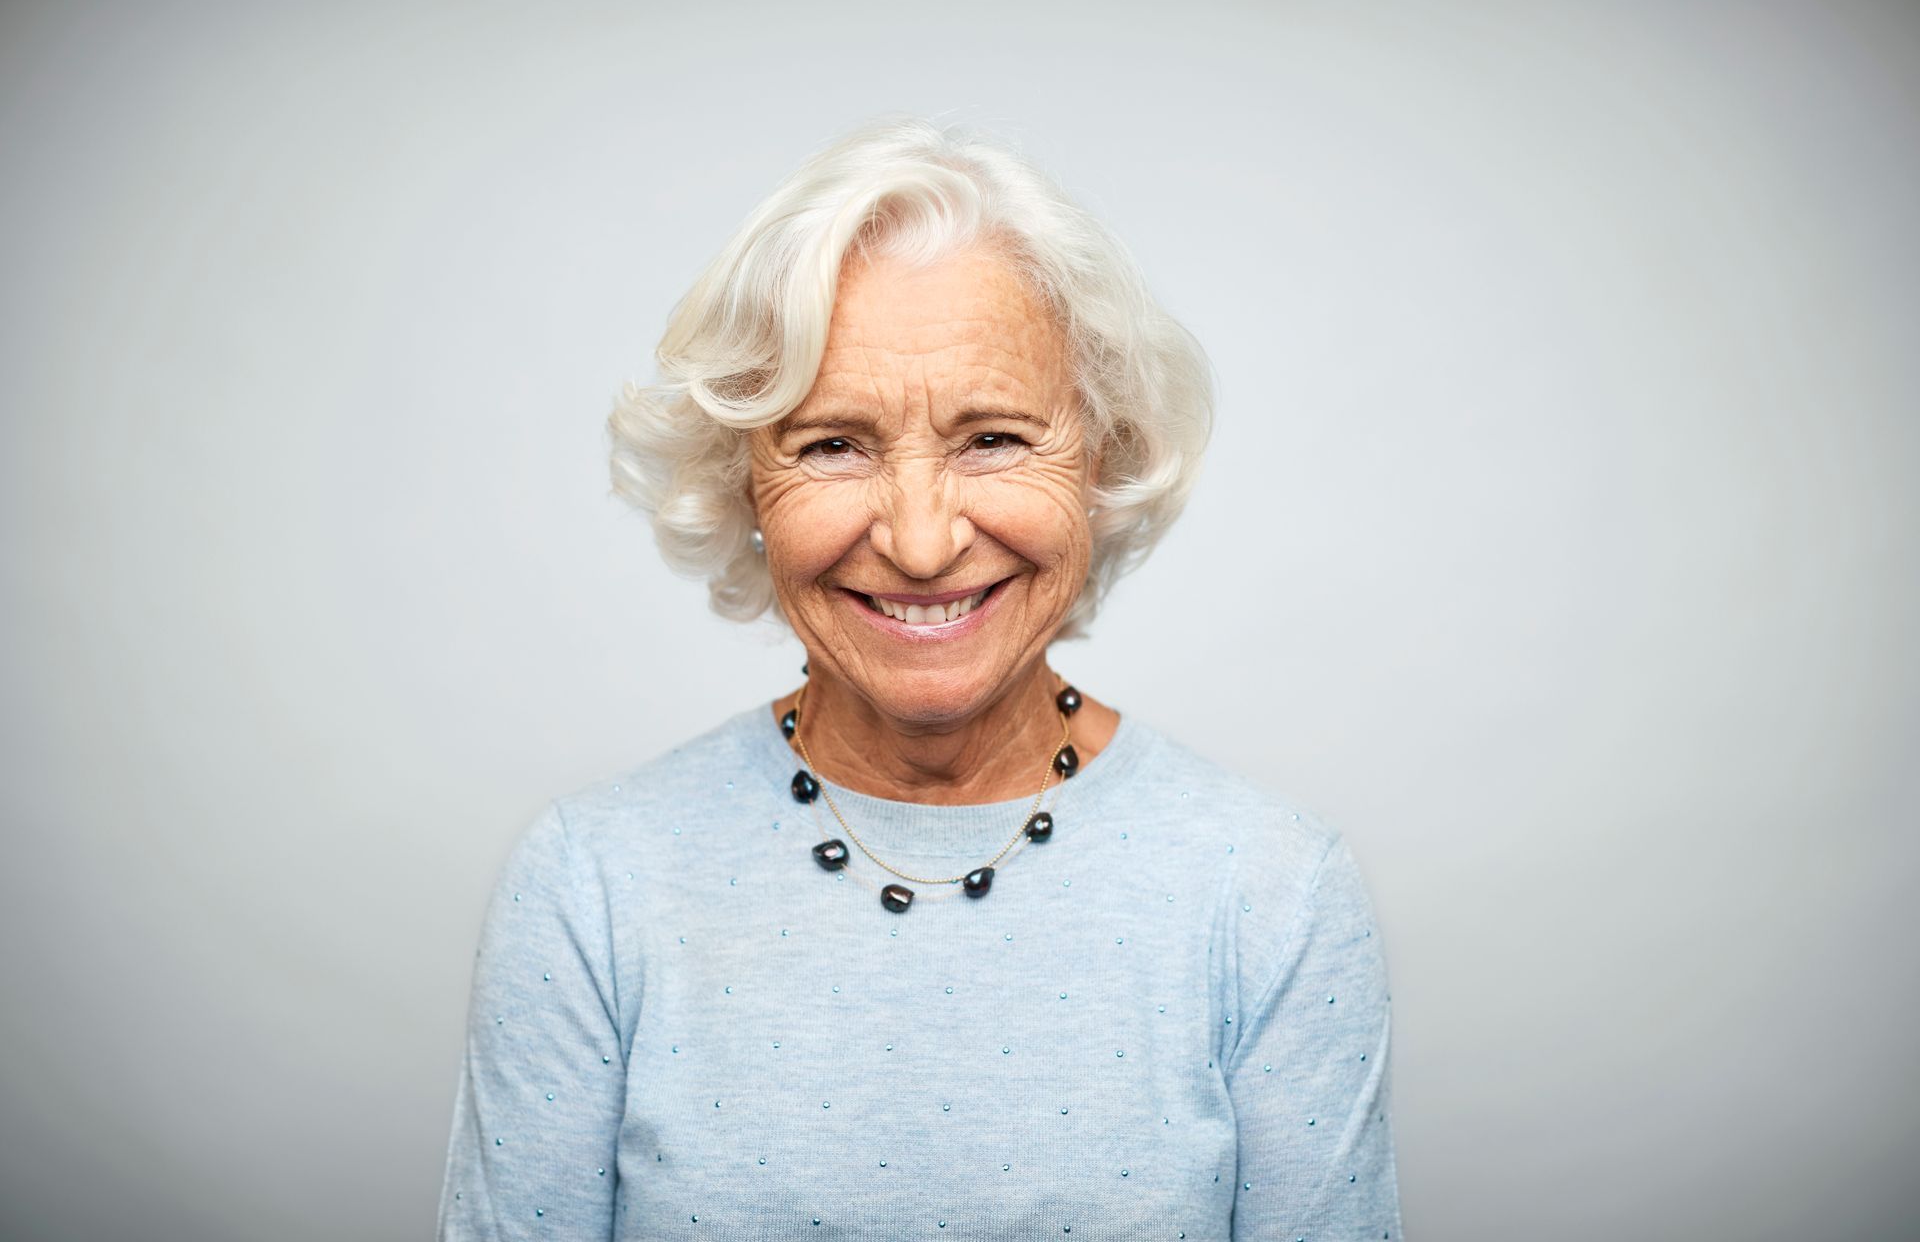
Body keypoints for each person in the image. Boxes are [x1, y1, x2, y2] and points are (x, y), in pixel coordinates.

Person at [437, 117, 1403, 1240]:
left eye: (992, 437)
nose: (922, 540)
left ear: (1103, 457)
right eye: (833, 444)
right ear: (743, 481)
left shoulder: (1271, 893)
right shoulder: (590, 887)